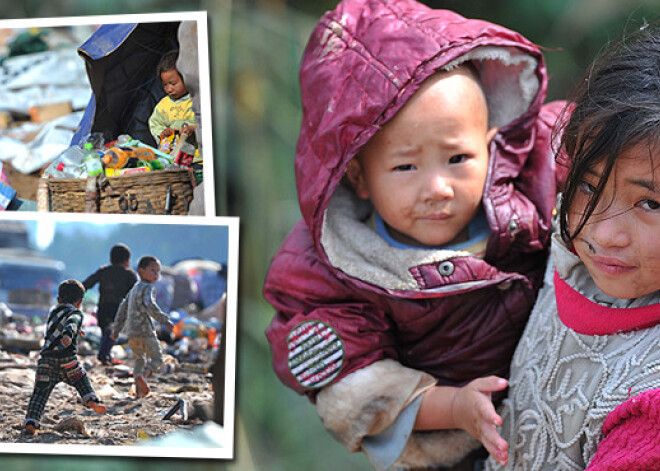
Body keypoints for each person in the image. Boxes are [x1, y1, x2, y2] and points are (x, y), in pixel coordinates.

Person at [263, 0, 566, 468]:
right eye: (405, 166)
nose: (437, 189)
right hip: (449, 448)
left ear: (490, 144)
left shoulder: (526, 181)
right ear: (358, 177)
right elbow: (350, 389)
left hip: (561, 394)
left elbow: (598, 145)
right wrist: (455, 407)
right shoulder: (337, 270)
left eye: (458, 159)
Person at [484, 26, 660, 470]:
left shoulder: (652, 407)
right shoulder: (555, 238)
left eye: (650, 203)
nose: (603, 234)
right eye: (588, 184)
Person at [23, 280, 106, 435]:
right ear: (80, 302)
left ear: (58, 299)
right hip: (67, 360)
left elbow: (62, 324)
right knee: (80, 378)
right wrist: (69, 334)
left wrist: (74, 331)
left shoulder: (53, 312)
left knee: (39, 394)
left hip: (46, 362)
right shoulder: (76, 313)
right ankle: (90, 399)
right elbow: (71, 322)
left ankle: (31, 422)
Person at [111, 256, 174, 398]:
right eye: (152, 270)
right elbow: (150, 305)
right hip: (146, 331)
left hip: (131, 332)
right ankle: (143, 377)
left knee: (139, 360)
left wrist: (116, 331)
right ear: (141, 271)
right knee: (157, 358)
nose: (156, 274)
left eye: (158, 271)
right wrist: (164, 321)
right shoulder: (148, 288)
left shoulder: (133, 290)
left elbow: (122, 310)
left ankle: (139, 392)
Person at [83, 243, 137, 365]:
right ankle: (103, 355)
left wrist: (76, 292)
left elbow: (87, 284)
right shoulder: (129, 274)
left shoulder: (103, 271)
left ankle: (105, 355)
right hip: (118, 309)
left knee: (106, 332)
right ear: (127, 261)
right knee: (112, 333)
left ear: (111, 259)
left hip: (103, 307)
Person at [148, 49, 198, 153]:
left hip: (198, 158)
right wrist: (163, 133)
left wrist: (194, 129)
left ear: (187, 77)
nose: (169, 89)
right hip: (174, 157)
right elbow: (155, 123)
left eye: (173, 83)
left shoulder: (198, 100)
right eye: (165, 85)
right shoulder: (163, 105)